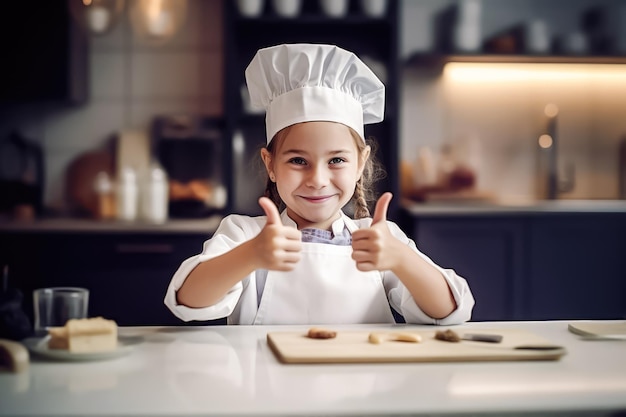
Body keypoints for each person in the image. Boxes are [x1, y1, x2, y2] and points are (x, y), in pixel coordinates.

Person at [164, 43, 474, 325]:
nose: (317, 180)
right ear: (270, 164)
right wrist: (251, 255)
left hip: (365, 384)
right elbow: (188, 302)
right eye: (298, 161)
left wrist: (401, 258)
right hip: (265, 385)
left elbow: (450, 310)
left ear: (360, 164)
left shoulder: (381, 239)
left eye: (336, 160)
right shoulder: (246, 235)